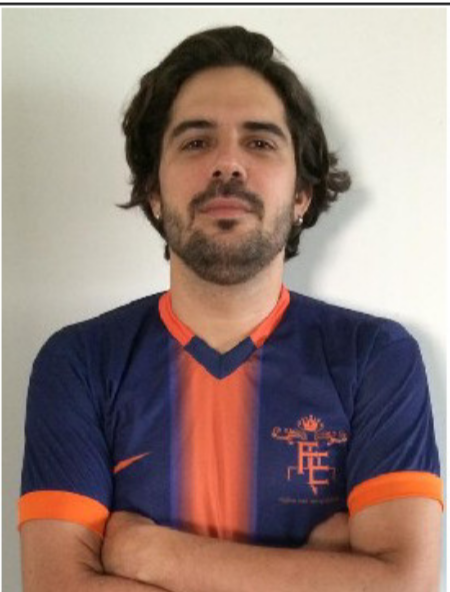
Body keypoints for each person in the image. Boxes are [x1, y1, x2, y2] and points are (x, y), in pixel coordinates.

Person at [19, 26, 442, 592]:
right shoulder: (78, 363)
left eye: (260, 143)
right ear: (154, 192)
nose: (228, 164)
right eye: (196, 142)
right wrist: (321, 573)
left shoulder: (376, 358)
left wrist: (152, 554)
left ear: (301, 194)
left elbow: (405, 586)